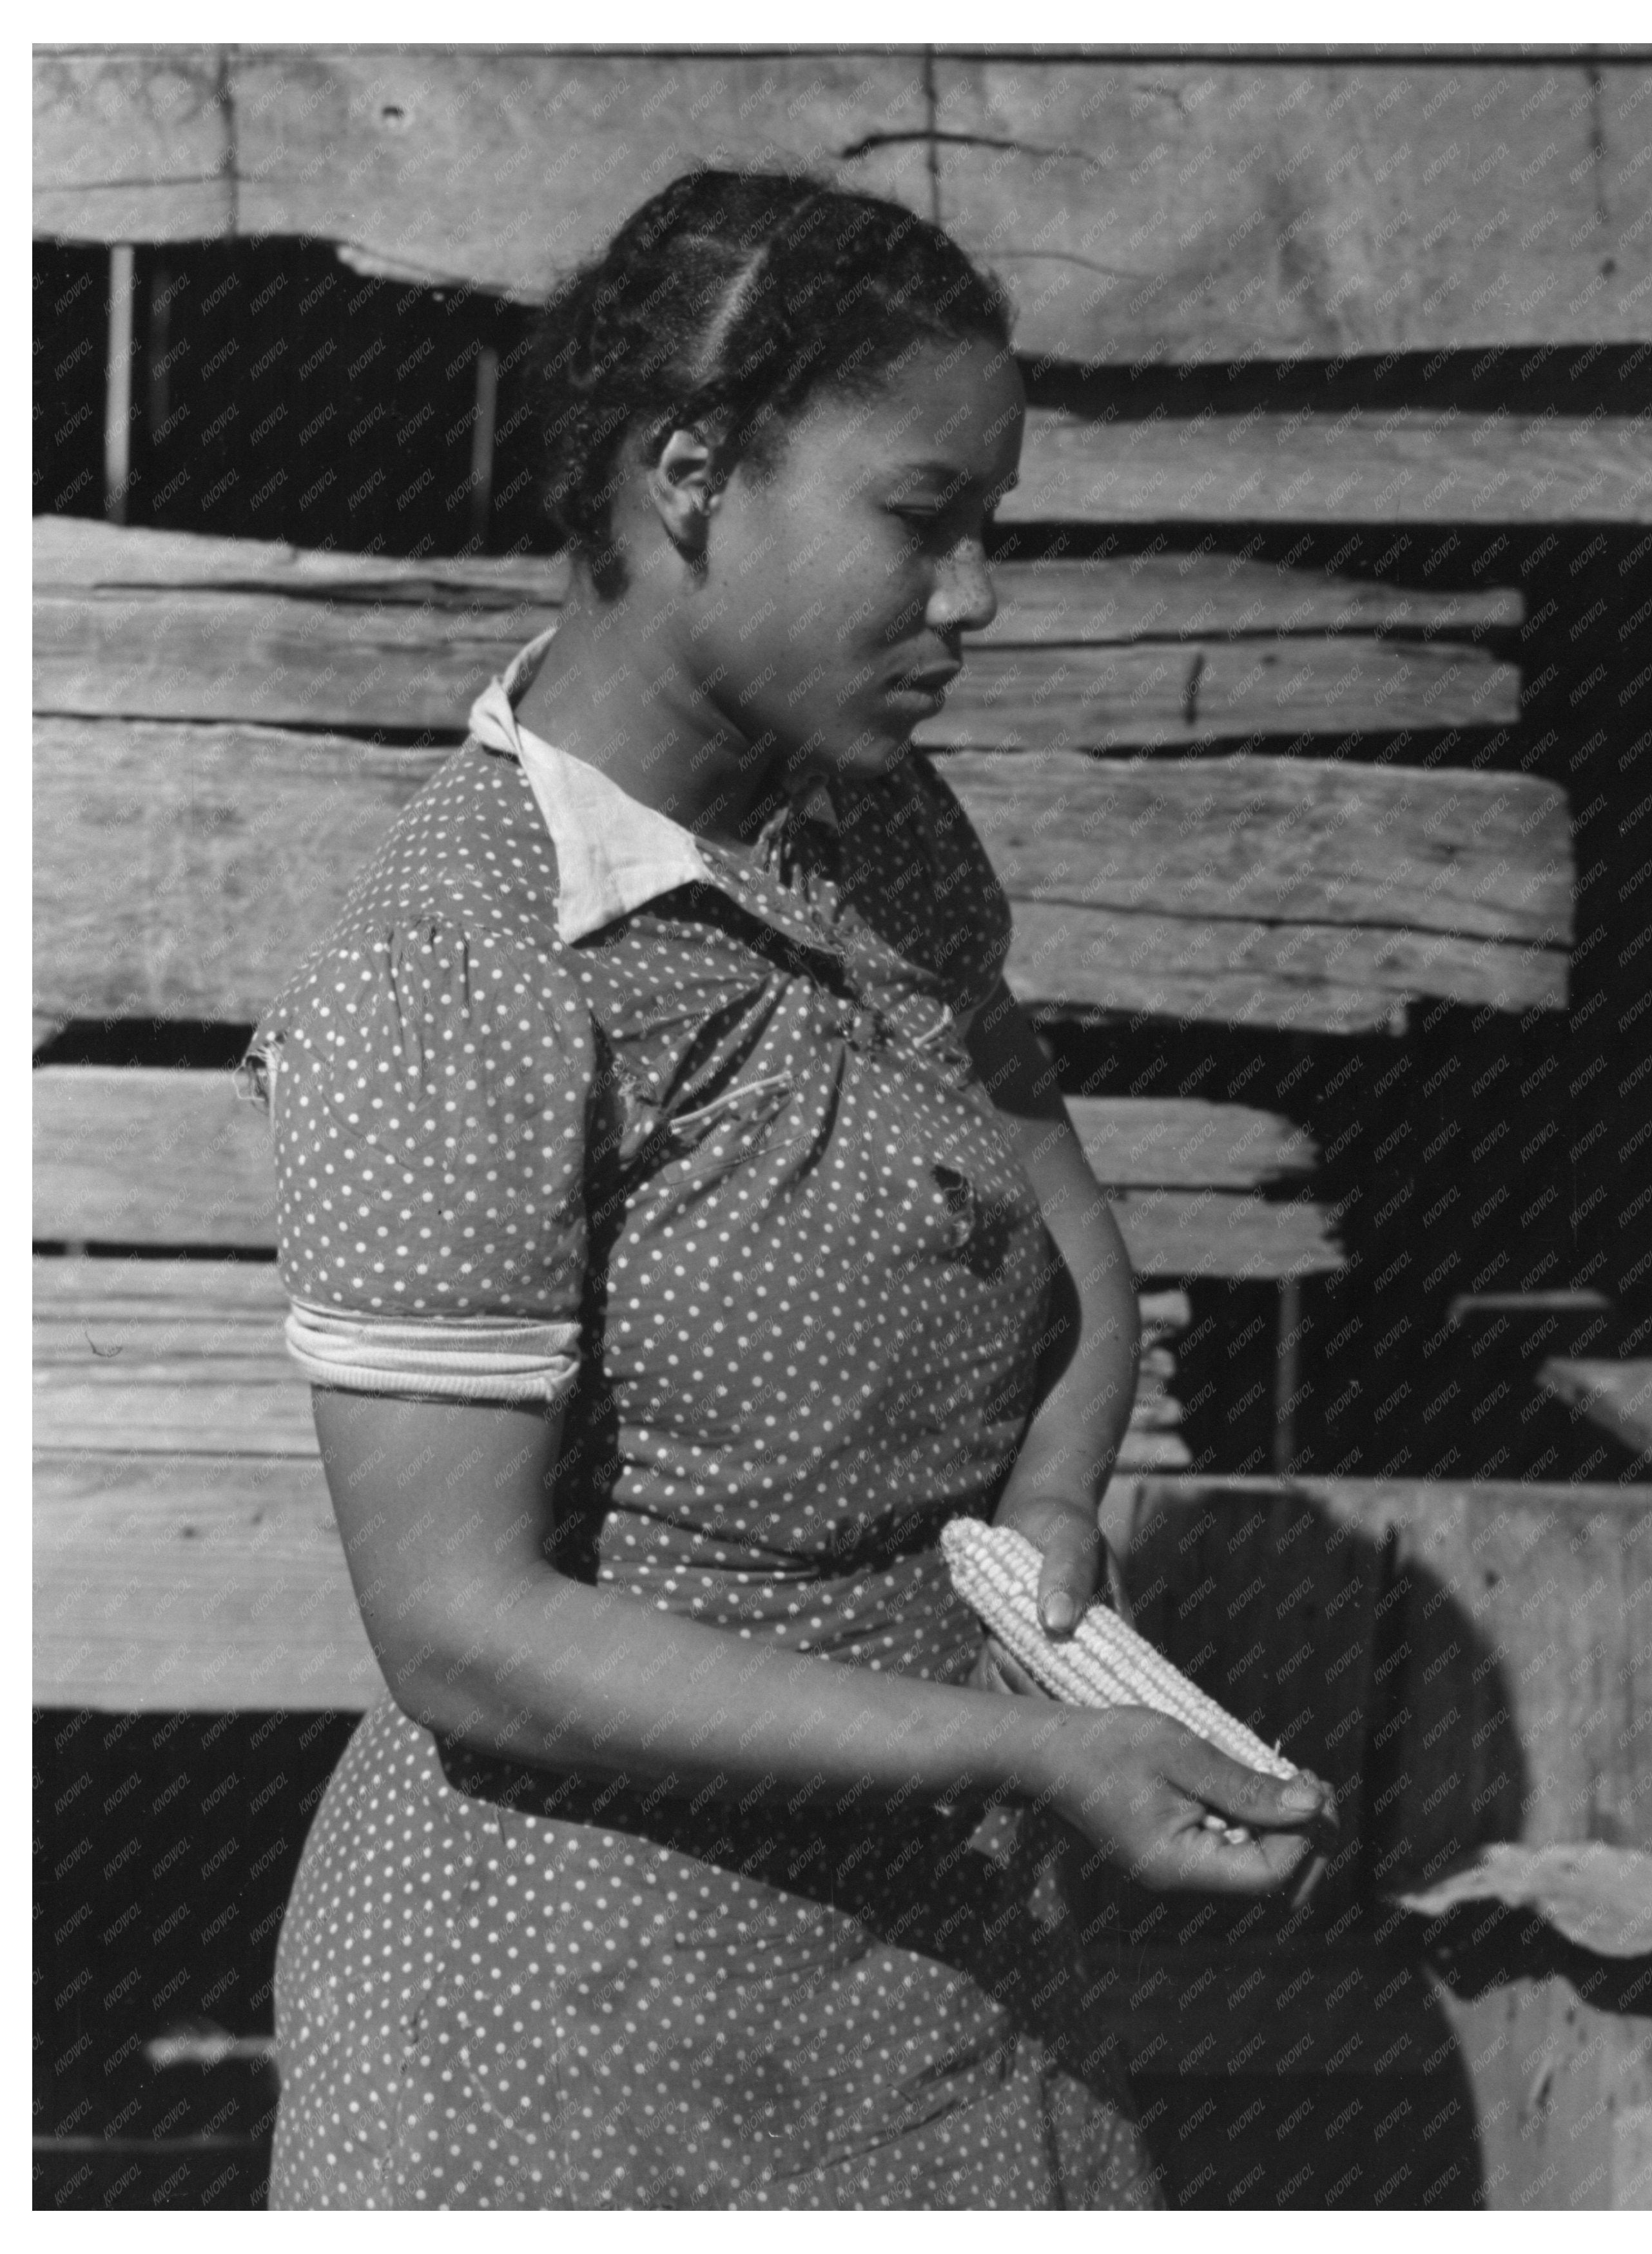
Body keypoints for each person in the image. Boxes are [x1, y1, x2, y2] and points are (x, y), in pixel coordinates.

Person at [249, 167, 1334, 2211]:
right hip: (563, 2042)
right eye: (925, 519)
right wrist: (1029, 1747)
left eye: (991, 529)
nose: (980, 596)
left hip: (932, 1992)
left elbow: (1074, 1264)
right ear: (690, 475)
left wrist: (1045, 1530)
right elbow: (463, 1629)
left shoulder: (882, 834)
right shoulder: (460, 967)